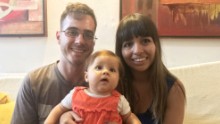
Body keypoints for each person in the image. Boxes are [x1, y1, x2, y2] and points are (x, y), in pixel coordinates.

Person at [11, 2, 97, 124]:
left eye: (88, 35)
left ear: (93, 42)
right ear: (58, 37)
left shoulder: (104, 82)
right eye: (72, 32)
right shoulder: (34, 83)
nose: (80, 41)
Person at [115, 13, 186, 124]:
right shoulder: (112, 84)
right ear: (120, 51)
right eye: (128, 44)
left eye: (145, 41)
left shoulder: (174, 89)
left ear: (156, 45)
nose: (137, 50)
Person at [44, 50, 141, 124]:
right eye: (99, 67)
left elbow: (129, 117)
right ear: (86, 76)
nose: (105, 72)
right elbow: (58, 110)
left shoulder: (119, 100)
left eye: (112, 70)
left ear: (118, 79)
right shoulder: (75, 94)